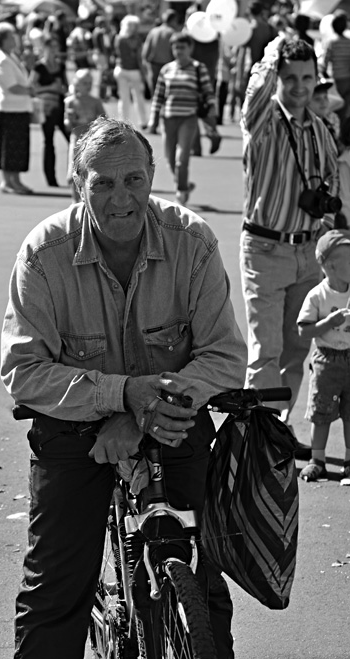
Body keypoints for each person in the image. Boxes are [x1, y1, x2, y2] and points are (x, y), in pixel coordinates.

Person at [1, 116, 266, 659]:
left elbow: (225, 357)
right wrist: (122, 396)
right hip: (73, 422)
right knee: (56, 583)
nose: (121, 198)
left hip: (170, 414)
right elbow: (23, 370)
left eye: (133, 181)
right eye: (103, 183)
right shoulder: (44, 253)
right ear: (78, 184)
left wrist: (144, 411)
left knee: (202, 571)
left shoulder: (191, 241)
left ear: (152, 178)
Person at [240, 36, 339, 455]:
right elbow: (255, 91)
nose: (299, 86)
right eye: (290, 77)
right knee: (266, 352)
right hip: (265, 249)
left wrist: (326, 232)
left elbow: (332, 187)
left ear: (316, 78)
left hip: (307, 252)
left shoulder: (320, 130)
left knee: (296, 352)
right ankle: (255, 439)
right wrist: (274, 50)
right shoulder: (263, 120)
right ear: (278, 79)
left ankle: (276, 431)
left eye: (307, 77)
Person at [297, 229, 350, 481]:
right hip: (326, 361)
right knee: (321, 413)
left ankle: (349, 460)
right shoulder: (318, 295)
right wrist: (329, 322)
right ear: (330, 266)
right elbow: (303, 330)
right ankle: (317, 460)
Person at [148, 30, 218, 206]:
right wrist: (153, 118)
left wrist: (212, 108)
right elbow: (159, 95)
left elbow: (208, 90)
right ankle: (184, 184)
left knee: (182, 159)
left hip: (188, 118)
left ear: (190, 48)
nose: (178, 51)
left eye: (182, 47)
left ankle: (181, 192)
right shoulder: (166, 69)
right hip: (168, 118)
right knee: (169, 159)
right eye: (175, 47)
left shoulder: (198, 68)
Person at [0, 24, 34, 196]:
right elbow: (10, 86)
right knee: (9, 146)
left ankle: (15, 180)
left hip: (19, 107)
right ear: (3, 40)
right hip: (9, 108)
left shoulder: (11, 56)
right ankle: (8, 181)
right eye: (11, 37)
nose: (14, 39)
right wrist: (29, 90)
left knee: (18, 147)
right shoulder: (1, 59)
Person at [31, 36, 69, 187]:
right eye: (51, 47)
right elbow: (32, 88)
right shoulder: (39, 67)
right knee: (49, 141)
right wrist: (50, 88)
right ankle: (50, 178)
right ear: (45, 48)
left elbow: (66, 86)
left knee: (73, 139)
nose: (54, 50)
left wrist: (61, 89)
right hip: (46, 107)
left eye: (56, 47)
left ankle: (76, 176)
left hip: (60, 106)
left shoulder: (61, 66)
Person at [63, 68, 105, 201]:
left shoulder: (95, 101)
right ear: (77, 84)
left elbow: (104, 119)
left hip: (91, 140)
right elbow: (67, 124)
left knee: (90, 170)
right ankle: (75, 201)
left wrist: (96, 123)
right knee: (74, 171)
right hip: (76, 139)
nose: (88, 86)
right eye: (85, 83)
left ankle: (88, 200)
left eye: (90, 83)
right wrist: (69, 120)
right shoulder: (70, 101)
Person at [113, 14, 148, 130]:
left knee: (124, 98)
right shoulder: (136, 40)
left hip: (121, 69)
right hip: (133, 70)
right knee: (138, 97)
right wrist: (143, 72)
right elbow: (139, 58)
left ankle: (123, 121)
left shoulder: (118, 38)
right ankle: (143, 121)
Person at [141, 9, 180, 102]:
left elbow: (145, 52)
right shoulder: (172, 32)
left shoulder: (153, 31)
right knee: (168, 95)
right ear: (173, 20)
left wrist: (146, 65)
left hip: (154, 67)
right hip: (168, 67)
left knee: (156, 96)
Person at [319, 11, 350, 123]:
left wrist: (322, 73)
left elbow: (324, 62)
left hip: (336, 81)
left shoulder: (331, 42)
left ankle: (336, 130)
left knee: (335, 107)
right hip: (348, 80)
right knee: (345, 109)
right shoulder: (348, 42)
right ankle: (343, 130)